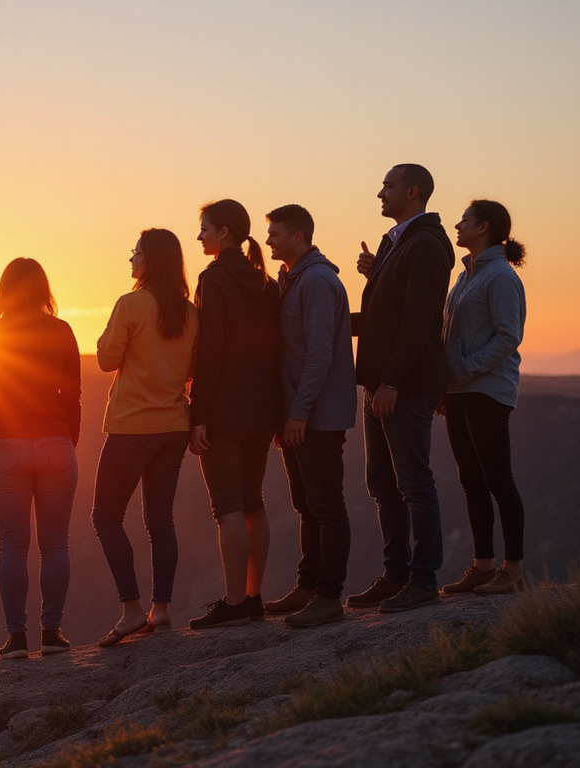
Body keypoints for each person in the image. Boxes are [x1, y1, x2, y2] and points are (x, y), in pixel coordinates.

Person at [348, 164, 455, 613]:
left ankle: (424, 579)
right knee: (382, 484)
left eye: (388, 186)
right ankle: (395, 575)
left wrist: (391, 381)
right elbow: (389, 314)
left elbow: (417, 322)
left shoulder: (427, 244)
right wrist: (375, 276)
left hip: (402, 386)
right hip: (380, 385)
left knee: (413, 481)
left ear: (412, 192)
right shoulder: (400, 243)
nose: (380, 193)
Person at [92, 228, 197, 647]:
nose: (131, 261)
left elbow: (104, 359)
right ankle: (163, 610)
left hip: (132, 427)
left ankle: (132, 609)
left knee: (105, 517)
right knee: (161, 521)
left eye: (135, 254)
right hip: (173, 426)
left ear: (149, 260)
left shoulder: (130, 304)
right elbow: (192, 369)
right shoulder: (190, 312)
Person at [0, 258, 81, 659]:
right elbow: (73, 394)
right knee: (56, 545)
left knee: (12, 546)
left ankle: (16, 638)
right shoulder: (62, 331)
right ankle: (52, 634)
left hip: (9, 448)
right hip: (55, 443)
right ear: (42, 289)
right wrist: (70, 441)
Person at [187, 199, 284, 629]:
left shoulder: (214, 279)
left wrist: (199, 412)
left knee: (226, 505)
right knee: (252, 503)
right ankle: (253, 596)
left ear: (224, 232)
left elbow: (211, 350)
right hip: (263, 409)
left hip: (224, 410)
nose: (200, 236)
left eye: (205, 228)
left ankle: (232, 602)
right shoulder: (266, 282)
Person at [263, 205, 356, 628]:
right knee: (306, 505)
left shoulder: (317, 282)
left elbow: (319, 354)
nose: (268, 241)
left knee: (326, 505)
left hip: (316, 417)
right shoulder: (293, 280)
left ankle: (329, 596)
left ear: (298, 236)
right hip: (297, 417)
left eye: (275, 234)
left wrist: (298, 413)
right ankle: (307, 585)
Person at [438, 200, 528, 596]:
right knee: (471, 479)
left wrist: (465, 369)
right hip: (459, 388)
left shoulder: (500, 277)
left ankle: (512, 570)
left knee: (497, 479)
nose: (458, 225)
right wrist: (446, 382)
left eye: (465, 220)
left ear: (484, 227)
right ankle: (482, 565)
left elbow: (509, 336)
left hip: (487, 389)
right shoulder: (467, 275)